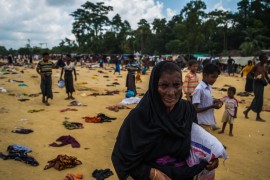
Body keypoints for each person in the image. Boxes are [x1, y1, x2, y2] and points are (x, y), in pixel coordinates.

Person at [112, 61, 219, 180]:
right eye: (164, 86)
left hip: (185, 175)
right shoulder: (140, 116)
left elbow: (195, 145)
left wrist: (210, 160)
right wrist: (151, 173)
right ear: (154, 86)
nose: (171, 93)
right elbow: (122, 158)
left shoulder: (187, 110)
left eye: (176, 85)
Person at [192, 63, 223, 132]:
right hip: (202, 123)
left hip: (208, 121)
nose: (215, 79)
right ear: (205, 75)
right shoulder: (199, 89)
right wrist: (211, 106)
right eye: (213, 77)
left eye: (216, 77)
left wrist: (216, 101)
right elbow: (195, 109)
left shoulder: (208, 87)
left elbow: (207, 100)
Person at [243, 53, 269, 122]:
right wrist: (255, 78)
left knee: (257, 99)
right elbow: (249, 75)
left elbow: (266, 76)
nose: (266, 59)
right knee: (258, 99)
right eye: (265, 58)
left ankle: (246, 111)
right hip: (256, 84)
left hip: (262, 84)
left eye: (267, 58)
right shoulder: (256, 66)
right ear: (261, 59)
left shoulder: (265, 66)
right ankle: (258, 117)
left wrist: (268, 81)